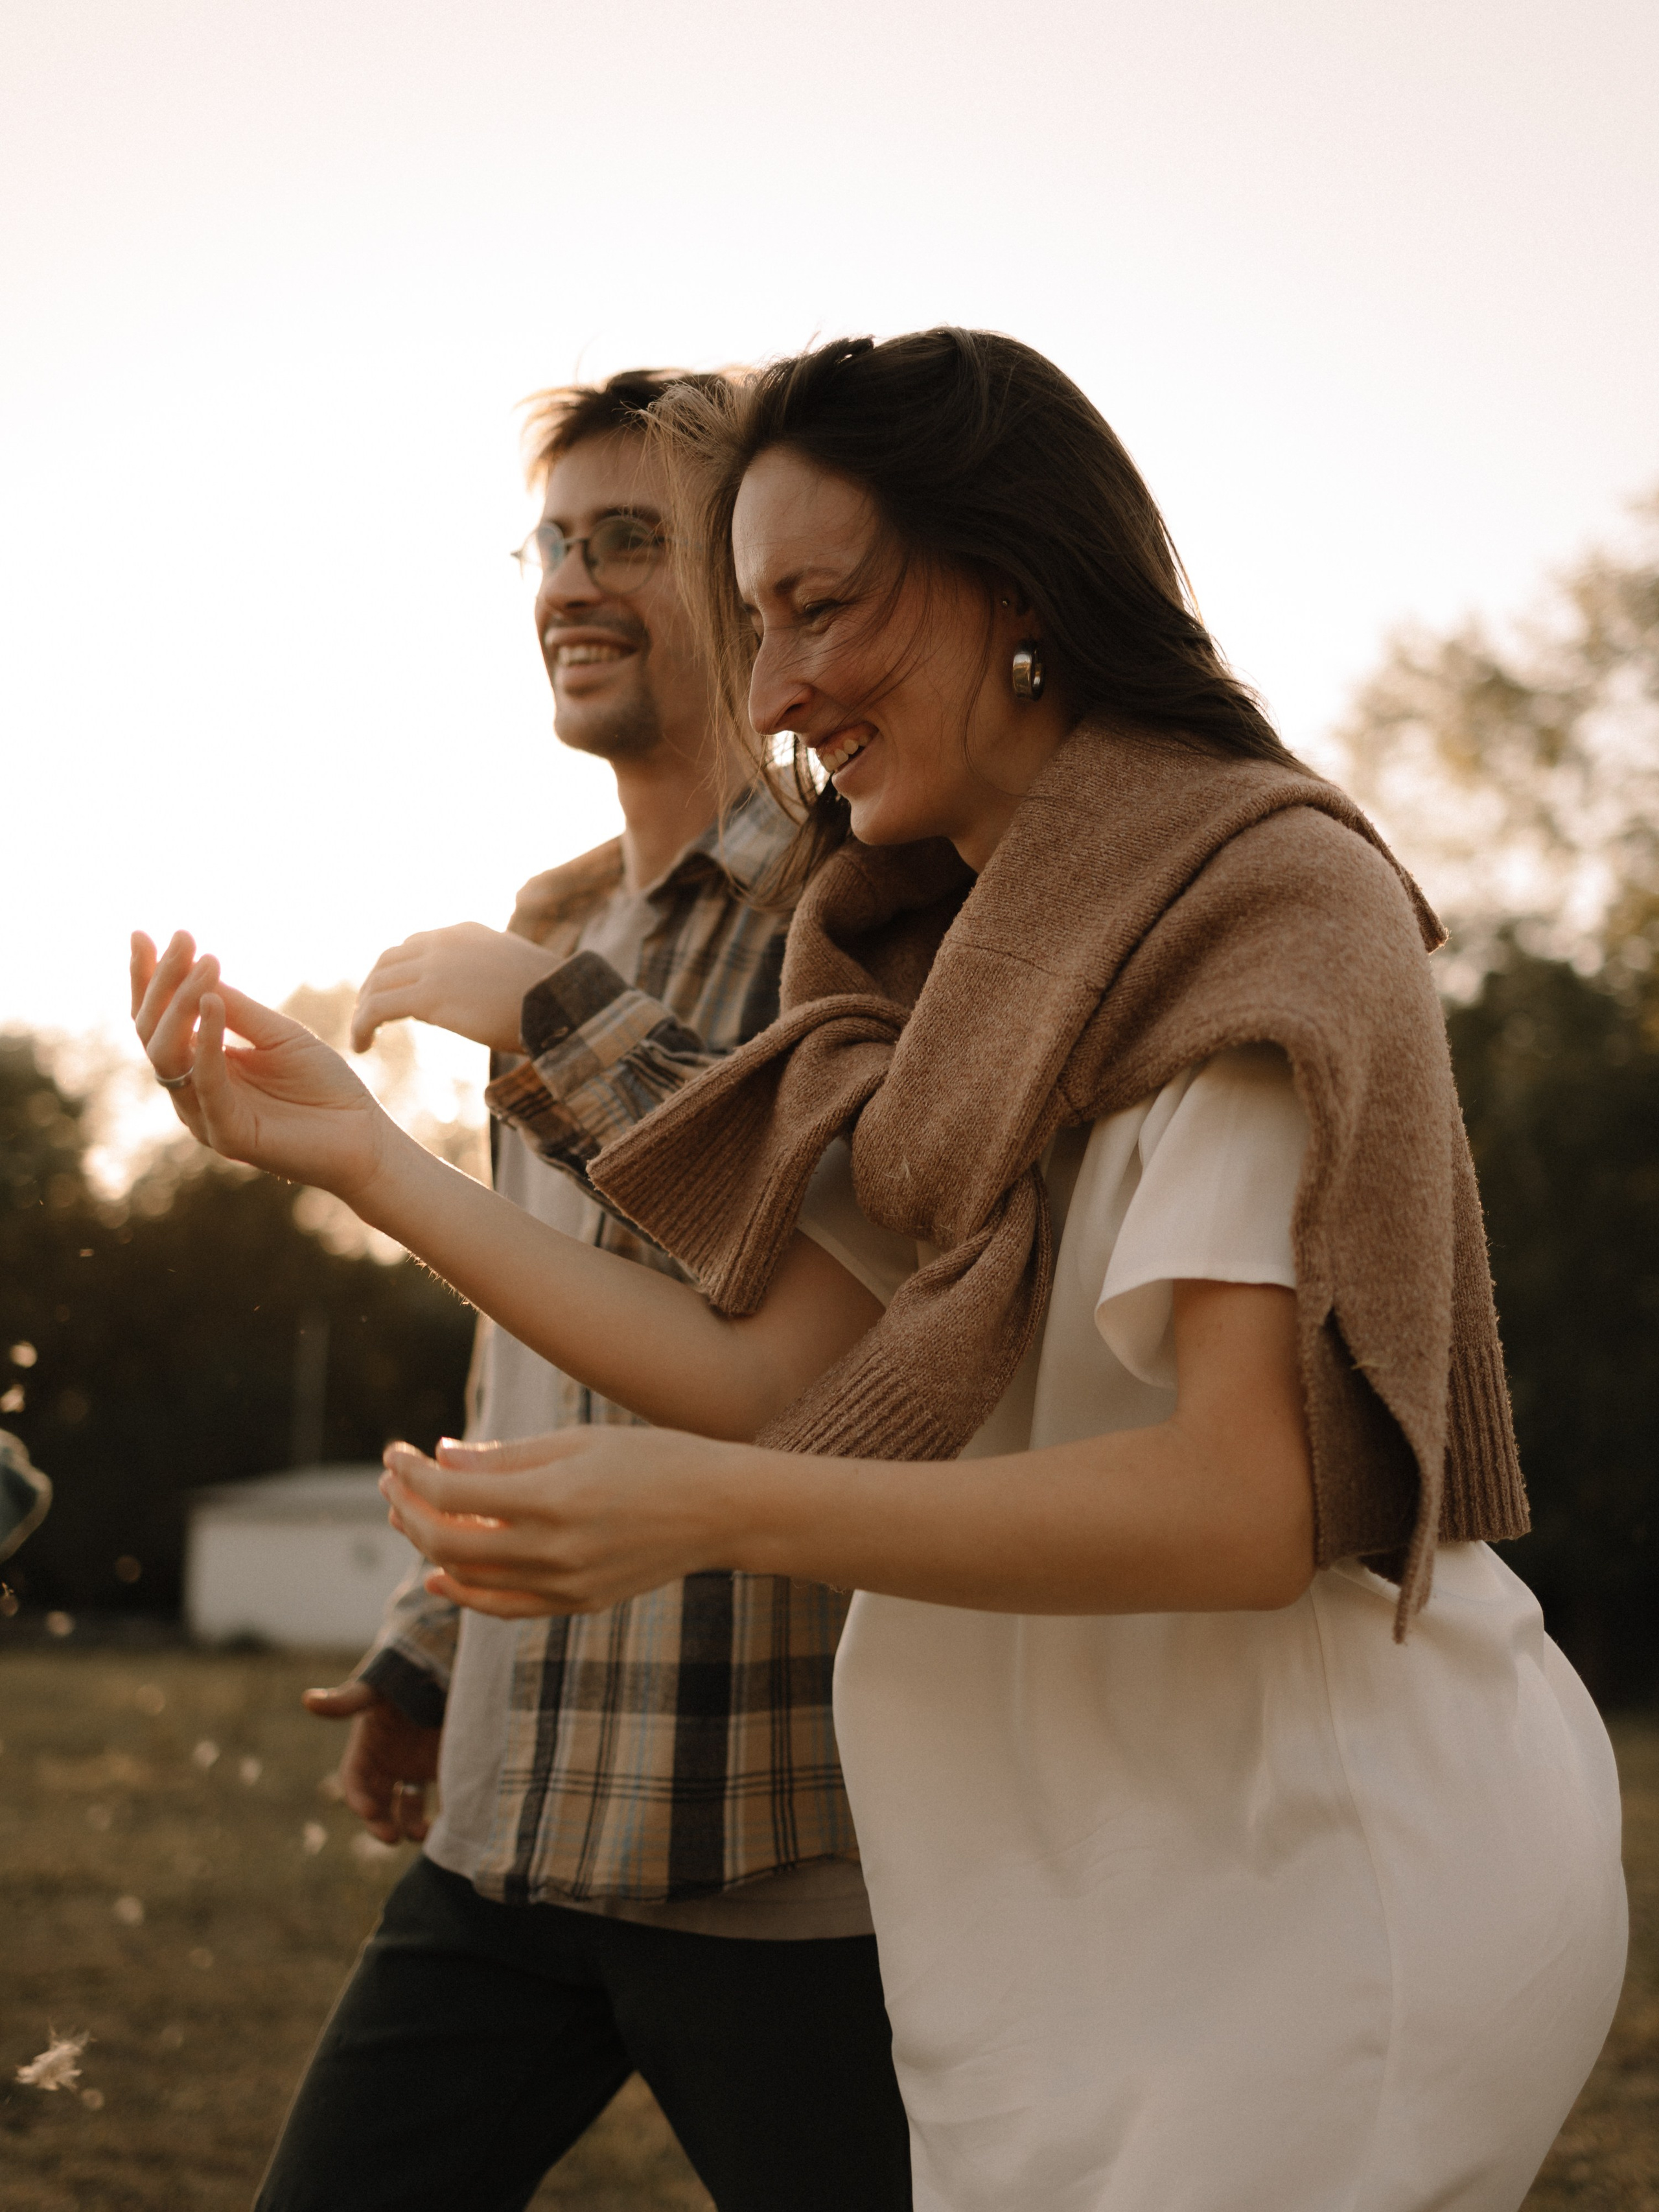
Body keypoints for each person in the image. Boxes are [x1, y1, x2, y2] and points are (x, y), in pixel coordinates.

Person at [133, 329, 1629, 2212]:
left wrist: (710, 1513)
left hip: (1321, 1866)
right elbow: (778, 1379)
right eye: (754, 620)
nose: (777, 690)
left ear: (1013, 577)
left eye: (820, 608)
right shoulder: (920, 963)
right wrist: (363, 1155)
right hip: (1062, 1885)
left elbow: (1254, 1501)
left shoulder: (1257, 911)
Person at [213, 368, 912, 2212]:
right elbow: (531, 1327)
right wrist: (433, 1645)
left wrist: (543, 1017)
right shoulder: (557, 913)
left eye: (631, 540)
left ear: (752, 586)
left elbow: (817, 1265)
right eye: (554, 542)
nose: (573, 586)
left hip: (770, 1836)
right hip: (508, 1836)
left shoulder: (862, 910)